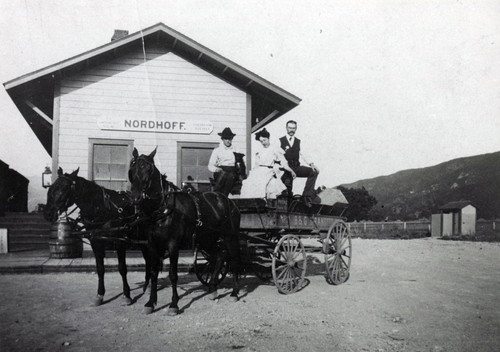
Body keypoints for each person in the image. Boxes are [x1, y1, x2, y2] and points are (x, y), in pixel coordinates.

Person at [240, 128, 296, 199]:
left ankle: (261, 201)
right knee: (248, 183)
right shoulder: (260, 150)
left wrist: (291, 171)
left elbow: (284, 162)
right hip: (258, 171)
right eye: (261, 141)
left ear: (268, 138)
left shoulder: (275, 149)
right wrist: (254, 172)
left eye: (264, 140)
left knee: (262, 184)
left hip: (268, 171)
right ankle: (250, 203)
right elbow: (257, 164)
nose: (263, 142)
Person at [279, 120, 320, 206]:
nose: (291, 130)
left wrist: (311, 164)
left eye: (294, 128)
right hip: (286, 169)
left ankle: (306, 196)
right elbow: (277, 155)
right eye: (290, 128)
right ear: (286, 128)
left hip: (296, 167)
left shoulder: (298, 141)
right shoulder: (280, 141)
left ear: (296, 129)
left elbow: (304, 154)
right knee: (287, 190)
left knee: (314, 171)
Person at [208, 127, 239, 196]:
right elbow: (210, 165)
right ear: (222, 139)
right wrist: (217, 169)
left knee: (231, 176)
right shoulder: (217, 151)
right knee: (224, 174)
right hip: (221, 170)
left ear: (232, 139)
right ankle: (217, 194)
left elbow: (241, 162)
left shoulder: (236, 149)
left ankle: (224, 196)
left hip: (232, 170)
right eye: (226, 139)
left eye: (230, 139)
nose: (228, 141)